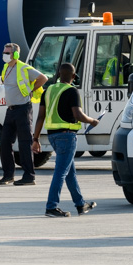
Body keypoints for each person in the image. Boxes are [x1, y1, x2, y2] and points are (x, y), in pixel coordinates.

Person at [32, 62, 99, 217]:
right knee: (61, 172)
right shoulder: (72, 91)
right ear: (73, 76)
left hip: (52, 136)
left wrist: (35, 138)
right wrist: (92, 121)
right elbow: (78, 115)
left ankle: (80, 204)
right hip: (67, 136)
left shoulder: (48, 90)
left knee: (70, 172)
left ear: (58, 75)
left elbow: (40, 117)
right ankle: (51, 207)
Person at [0, 43, 47, 186]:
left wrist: (31, 89)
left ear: (16, 55)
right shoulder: (6, 67)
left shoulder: (24, 67)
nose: (4, 55)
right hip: (11, 110)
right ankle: (8, 175)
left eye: (7, 53)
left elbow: (43, 78)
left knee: (25, 143)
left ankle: (29, 176)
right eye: (4, 52)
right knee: (5, 143)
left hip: (23, 109)